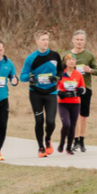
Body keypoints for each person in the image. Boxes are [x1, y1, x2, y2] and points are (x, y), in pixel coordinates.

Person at [21, 30, 63, 158]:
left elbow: (61, 71)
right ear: (37, 42)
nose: (45, 42)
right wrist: (31, 78)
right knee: (39, 121)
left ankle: (48, 138)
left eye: (47, 39)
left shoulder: (55, 55)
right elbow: (22, 76)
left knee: (51, 121)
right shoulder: (31, 58)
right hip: (36, 94)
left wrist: (56, 78)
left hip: (51, 92)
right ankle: (41, 147)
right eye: (43, 40)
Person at [67, 31, 97, 153]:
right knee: (74, 115)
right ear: (73, 40)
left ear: (85, 41)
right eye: (77, 39)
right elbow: (61, 71)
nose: (79, 42)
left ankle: (82, 140)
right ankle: (75, 140)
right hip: (72, 89)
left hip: (86, 88)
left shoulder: (89, 55)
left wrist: (90, 70)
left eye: (81, 40)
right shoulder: (67, 55)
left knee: (83, 116)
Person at [57, 53, 87, 156]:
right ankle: (62, 142)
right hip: (63, 103)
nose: (71, 61)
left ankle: (69, 148)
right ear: (65, 62)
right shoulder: (61, 74)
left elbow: (83, 88)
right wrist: (59, 92)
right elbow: (55, 87)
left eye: (73, 60)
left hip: (75, 103)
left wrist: (81, 90)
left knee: (73, 126)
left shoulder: (78, 74)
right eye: (69, 60)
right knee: (66, 124)